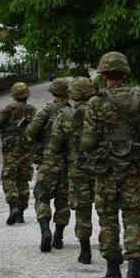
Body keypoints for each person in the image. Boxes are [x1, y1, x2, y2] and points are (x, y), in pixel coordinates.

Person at [82, 51, 140, 278]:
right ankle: (134, 271)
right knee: (132, 215)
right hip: (133, 167)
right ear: (124, 73)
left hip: (105, 169)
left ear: (104, 75)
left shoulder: (95, 102)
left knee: (107, 217)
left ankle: (113, 273)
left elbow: (87, 142)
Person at [44, 77, 96, 264]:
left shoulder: (64, 116)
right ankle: (113, 252)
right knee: (108, 211)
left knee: (82, 209)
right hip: (102, 168)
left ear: (72, 94)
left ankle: (85, 251)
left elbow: (54, 148)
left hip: (77, 169)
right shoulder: (102, 111)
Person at [26, 77, 72, 252]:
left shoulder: (46, 110)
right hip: (66, 164)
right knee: (63, 201)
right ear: (68, 94)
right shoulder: (72, 113)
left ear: (53, 93)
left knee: (42, 198)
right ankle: (58, 237)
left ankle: (46, 231)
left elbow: (30, 132)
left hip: (47, 161)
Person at [0, 82, 36, 225]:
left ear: (14, 96)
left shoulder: (8, 109)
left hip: (11, 151)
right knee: (23, 180)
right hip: (27, 150)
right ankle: (21, 213)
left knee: (8, 178)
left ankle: (13, 206)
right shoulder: (33, 111)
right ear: (27, 95)